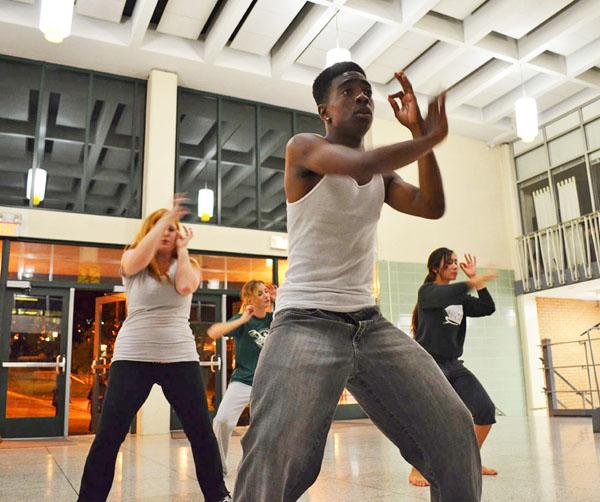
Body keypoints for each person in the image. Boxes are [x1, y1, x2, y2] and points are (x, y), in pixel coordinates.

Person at [233, 62, 483, 502]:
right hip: (303, 322)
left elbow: (431, 206)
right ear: (325, 111)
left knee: (454, 430)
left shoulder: (383, 177)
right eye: (349, 91)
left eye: (367, 91)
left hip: (369, 324)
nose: (363, 97)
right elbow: (360, 161)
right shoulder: (304, 148)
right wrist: (424, 138)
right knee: (275, 453)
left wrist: (423, 144)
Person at [78, 196, 231, 502]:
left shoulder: (188, 265)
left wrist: (183, 250)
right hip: (133, 356)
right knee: (109, 436)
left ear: (180, 235)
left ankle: (218, 496)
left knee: (201, 433)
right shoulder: (134, 262)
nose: (167, 233)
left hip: (179, 356)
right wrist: (166, 216)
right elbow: (135, 259)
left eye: (173, 229)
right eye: (160, 227)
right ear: (151, 229)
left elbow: (185, 287)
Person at [409, 248, 498, 487]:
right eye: (449, 262)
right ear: (435, 268)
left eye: (456, 262)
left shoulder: (459, 295)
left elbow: (487, 308)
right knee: (430, 418)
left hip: (453, 365)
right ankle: (417, 468)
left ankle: (471, 461)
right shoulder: (427, 292)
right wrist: (472, 281)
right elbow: (447, 292)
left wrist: (478, 284)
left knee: (485, 410)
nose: (454, 266)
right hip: (429, 364)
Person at [208, 280, 276, 475]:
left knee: (269, 428)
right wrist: (242, 319)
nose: (266, 296)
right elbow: (214, 332)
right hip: (243, 380)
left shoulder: (276, 318)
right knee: (222, 421)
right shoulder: (242, 320)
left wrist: (279, 299)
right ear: (250, 299)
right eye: (261, 293)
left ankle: (266, 468)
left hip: (269, 382)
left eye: (267, 293)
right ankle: (218, 467)